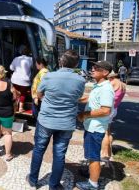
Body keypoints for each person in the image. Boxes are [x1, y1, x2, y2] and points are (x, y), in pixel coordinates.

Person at [26, 50, 85, 189]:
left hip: (46, 120)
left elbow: (39, 94)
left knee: (39, 149)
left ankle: (33, 180)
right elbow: (77, 97)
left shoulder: (49, 76)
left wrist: (46, 99)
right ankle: (54, 185)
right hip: (67, 122)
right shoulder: (80, 80)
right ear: (76, 64)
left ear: (61, 61)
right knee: (59, 154)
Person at [76, 61, 114, 190]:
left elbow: (105, 110)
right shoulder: (98, 85)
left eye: (96, 68)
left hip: (95, 128)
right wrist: (75, 99)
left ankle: (93, 184)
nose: (92, 69)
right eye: (92, 67)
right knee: (91, 155)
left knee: (94, 157)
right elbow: (90, 98)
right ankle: (92, 174)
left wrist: (85, 114)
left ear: (105, 72)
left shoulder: (106, 89)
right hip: (91, 126)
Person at [101, 71, 126, 159]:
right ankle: (109, 152)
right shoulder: (122, 84)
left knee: (104, 132)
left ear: (110, 77)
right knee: (108, 131)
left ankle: (105, 154)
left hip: (109, 109)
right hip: (114, 109)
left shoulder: (112, 83)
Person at [10, 45, 33, 112]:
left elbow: (11, 68)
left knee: (16, 93)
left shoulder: (16, 58)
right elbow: (32, 68)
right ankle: (20, 108)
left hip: (15, 80)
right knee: (23, 93)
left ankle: (15, 107)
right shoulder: (31, 59)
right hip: (25, 81)